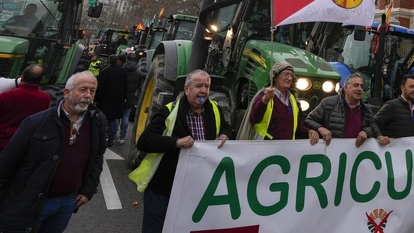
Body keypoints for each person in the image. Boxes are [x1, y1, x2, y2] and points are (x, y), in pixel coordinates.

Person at [0, 72, 106, 233]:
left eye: (92, 91)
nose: (88, 95)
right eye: (83, 89)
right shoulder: (36, 122)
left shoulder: (97, 121)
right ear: (66, 92)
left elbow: (97, 156)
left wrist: (88, 189)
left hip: (67, 202)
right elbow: (7, 164)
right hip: (30, 202)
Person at [133, 70, 231, 233]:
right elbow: (144, 141)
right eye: (198, 86)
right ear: (186, 89)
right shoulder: (168, 111)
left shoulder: (214, 109)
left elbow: (226, 126)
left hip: (194, 188)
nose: (204, 91)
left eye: (206, 86)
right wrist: (176, 142)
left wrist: (225, 134)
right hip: (164, 189)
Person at [306, 73, 389, 146]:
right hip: (331, 155)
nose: (359, 89)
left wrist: (366, 132)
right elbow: (308, 120)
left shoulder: (366, 109)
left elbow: (373, 126)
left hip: (355, 156)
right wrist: (320, 129)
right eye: (356, 85)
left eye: (362, 86)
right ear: (345, 88)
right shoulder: (329, 103)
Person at [246, 62, 319, 142]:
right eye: (285, 74)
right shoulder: (264, 96)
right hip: (265, 149)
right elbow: (254, 118)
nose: (289, 78)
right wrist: (264, 100)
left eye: (291, 75)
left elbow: (296, 127)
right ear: (275, 77)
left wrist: (309, 132)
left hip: (285, 150)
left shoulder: (292, 99)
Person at [0, 64, 51, 152]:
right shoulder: (45, 98)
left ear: (22, 77)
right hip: (23, 144)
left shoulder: (5, 96)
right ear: (42, 79)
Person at [374, 74, 414, 139]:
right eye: (411, 87)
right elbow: (373, 122)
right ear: (402, 88)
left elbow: (413, 132)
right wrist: (379, 136)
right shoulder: (392, 105)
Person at [95, 54, 128, 147]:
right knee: (113, 119)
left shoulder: (105, 72)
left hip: (105, 99)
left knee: (103, 118)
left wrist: (96, 99)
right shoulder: (123, 72)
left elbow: (100, 86)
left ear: (109, 61)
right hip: (118, 99)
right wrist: (124, 97)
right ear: (117, 61)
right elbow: (126, 86)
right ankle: (111, 137)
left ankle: (102, 136)